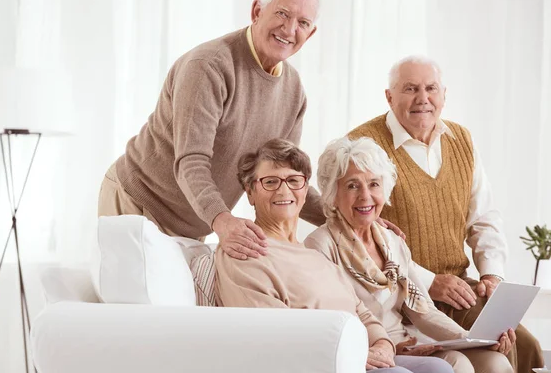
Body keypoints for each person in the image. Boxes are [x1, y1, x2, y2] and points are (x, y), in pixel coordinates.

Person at [98, 0, 325, 260]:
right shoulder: (209, 67)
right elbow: (191, 161)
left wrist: (346, 219)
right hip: (139, 203)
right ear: (257, 11)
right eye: (282, 13)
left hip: (196, 219)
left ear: (311, 33)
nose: (290, 29)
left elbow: (287, 178)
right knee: (137, 304)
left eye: (303, 22)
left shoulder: (293, 91)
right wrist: (223, 221)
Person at [347, 56, 543, 373]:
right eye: (410, 89)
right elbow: (354, 235)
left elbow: (484, 218)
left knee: (525, 344)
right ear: (389, 96)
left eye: (431, 88)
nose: (422, 99)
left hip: (460, 291)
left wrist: (492, 275)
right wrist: (430, 281)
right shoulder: (362, 144)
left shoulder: (461, 140)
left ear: (444, 94)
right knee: (493, 356)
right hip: (401, 297)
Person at [215, 138, 455, 373]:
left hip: (354, 354)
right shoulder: (243, 250)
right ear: (250, 192)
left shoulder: (311, 255)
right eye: (270, 182)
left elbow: (361, 312)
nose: (284, 190)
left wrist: (383, 345)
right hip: (320, 360)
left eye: (294, 180)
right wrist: (349, 353)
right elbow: (275, 332)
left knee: (439, 368)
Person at [305, 136, 516, 373]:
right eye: (352, 186)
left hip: (408, 344)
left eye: (374, 184)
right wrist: (386, 347)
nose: (365, 196)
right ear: (332, 194)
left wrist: (474, 339)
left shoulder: (392, 242)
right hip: (368, 351)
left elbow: (423, 311)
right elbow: (331, 320)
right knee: (458, 365)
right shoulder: (320, 245)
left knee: (495, 362)